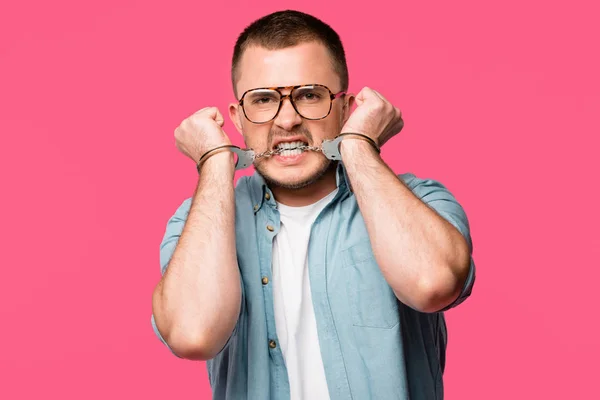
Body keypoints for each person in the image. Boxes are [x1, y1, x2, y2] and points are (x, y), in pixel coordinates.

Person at [151, 9, 476, 400]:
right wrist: (215, 160)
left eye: (309, 95)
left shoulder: (419, 201)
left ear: (344, 108)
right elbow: (192, 334)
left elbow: (432, 285)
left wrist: (358, 145)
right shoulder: (197, 222)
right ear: (237, 117)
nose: (287, 120)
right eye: (263, 99)